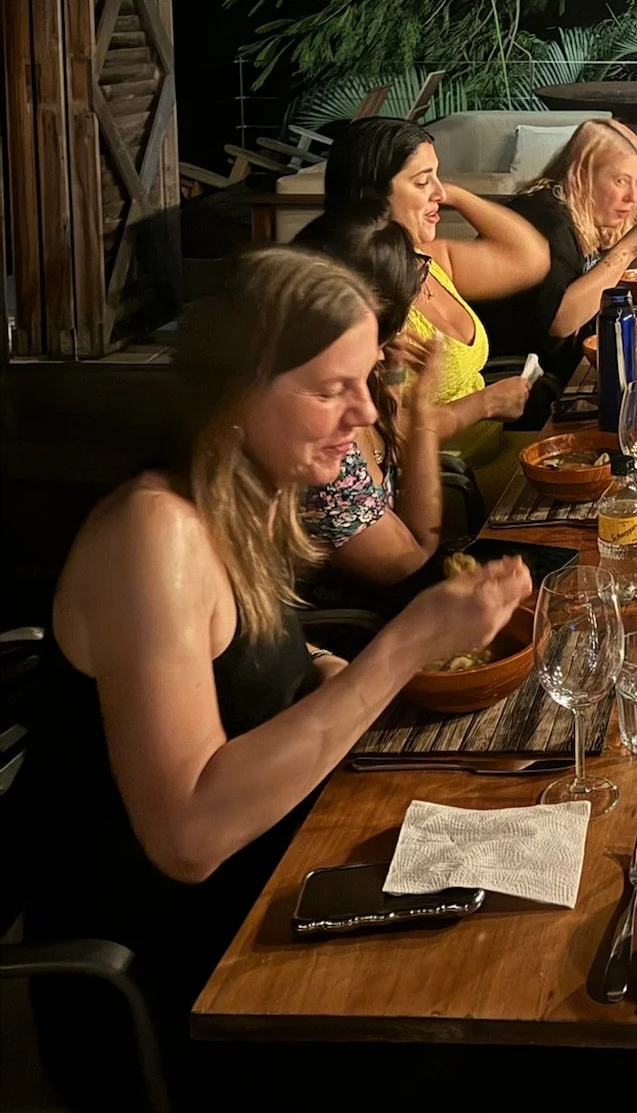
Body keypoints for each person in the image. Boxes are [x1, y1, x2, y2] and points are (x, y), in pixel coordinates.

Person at [18, 247, 529, 1105]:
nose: (363, 411)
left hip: (280, 883)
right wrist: (400, 649)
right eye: (331, 389)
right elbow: (188, 837)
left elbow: (249, 673)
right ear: (239, 388)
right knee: (507, 1036)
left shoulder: (247, 494)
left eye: (364, 380)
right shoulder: (153, 534)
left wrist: (328, 666)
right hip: (192, 975)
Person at [319, 117, 549, 499]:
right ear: (372, 195)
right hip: (449, 486)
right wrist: (483, 404)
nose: (439, 192)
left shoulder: (429, 258)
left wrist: (449, 193)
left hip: (494, 454)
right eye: (422, 181)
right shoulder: (361, 298)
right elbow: (378, 435)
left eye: (438, 178)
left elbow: (531, 257)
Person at [293, 201, 466, 586]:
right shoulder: (325, 450)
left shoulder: (366, 377)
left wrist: (395, 377)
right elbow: (413, 560)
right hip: (372, 613)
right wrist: (423, 406)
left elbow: (390, 445)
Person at [480, 118, 637, 381]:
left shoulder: (582, 213)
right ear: (582, 174)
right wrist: (628, 249)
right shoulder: (545, 219)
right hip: (517, 382)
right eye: (621, 181)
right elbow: (561, 322)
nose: (632, 197)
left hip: (564, 367)